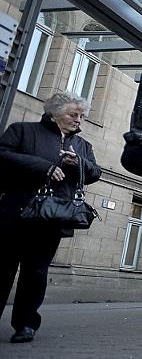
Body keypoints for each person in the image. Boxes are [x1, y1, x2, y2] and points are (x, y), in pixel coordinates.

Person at [0, 92, 101, 344]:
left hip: (51, 218)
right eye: (73, 114)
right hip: (15, 213)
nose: (79, 120)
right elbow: (2, 154)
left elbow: (95, 172)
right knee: (2, 269)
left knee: (36, 273)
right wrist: (43, 166)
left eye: (82, 116)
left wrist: (79, 163)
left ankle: (25, 324)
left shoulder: (82, 146)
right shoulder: (22, 130)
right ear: (53, 113)